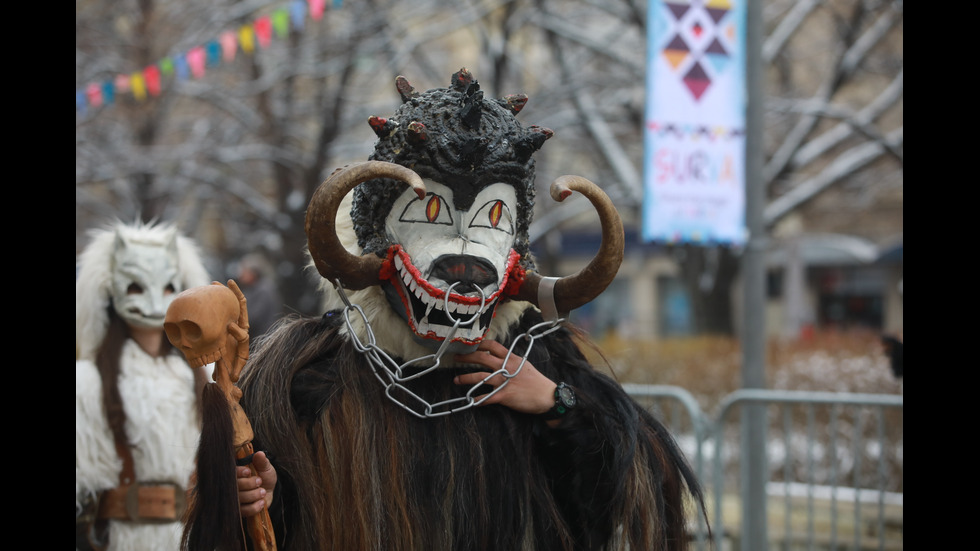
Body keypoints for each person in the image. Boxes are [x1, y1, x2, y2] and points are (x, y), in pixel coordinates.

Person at [184, 69, 707, 551]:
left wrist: (558, 403)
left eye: (492, 215)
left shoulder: (541, 361)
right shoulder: (303, 376)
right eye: (429, 212)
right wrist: (259, 498)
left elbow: (629, 498)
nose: (465, 260)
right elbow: (242, 521)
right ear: (376, 231)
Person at [75, 220, 212, 551]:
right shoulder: (87, 384)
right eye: (135, 285)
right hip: (116, 539)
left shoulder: (206, 379)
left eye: (168, 287)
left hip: (189, 538)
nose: (154, 300)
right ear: (111, 287)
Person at [235, 251, 283, 338]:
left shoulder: (264, 289)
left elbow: (254, 318)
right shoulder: (251, 289)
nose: (240, 275)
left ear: (253, 273)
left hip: (263, 339)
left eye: (244, 271)